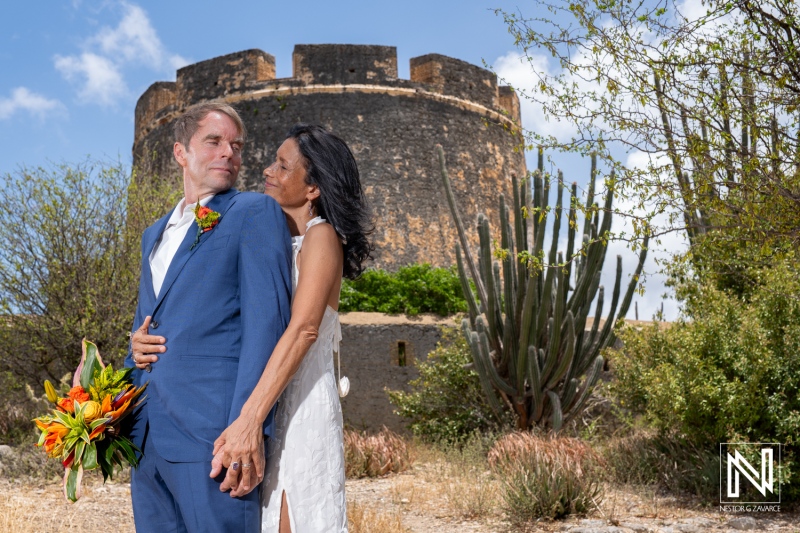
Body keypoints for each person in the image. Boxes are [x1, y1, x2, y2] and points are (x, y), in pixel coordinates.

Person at [125, 102, 293, 533]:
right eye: (214, 142)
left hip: (214, 439)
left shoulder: (253, 212)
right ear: (181, 152)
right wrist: (126, 358)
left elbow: (266, 327)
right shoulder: (153, 235)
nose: (228, 154)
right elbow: (152, 325)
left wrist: (248, 425)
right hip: (146, 438)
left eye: (236, 146)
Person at [211, 123, 372, 532]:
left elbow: (304, 330)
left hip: (300, 411)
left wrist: (249, 417)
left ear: (313, 187)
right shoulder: (279, 243)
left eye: (282, 166)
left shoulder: (322, 237)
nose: (267, 171)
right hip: (269, 405)